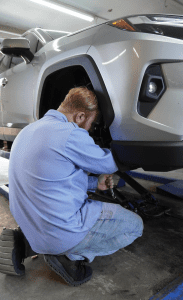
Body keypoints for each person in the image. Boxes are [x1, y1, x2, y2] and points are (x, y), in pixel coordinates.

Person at [1, 87, 143, 286]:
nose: (89, 130)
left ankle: (25, 243)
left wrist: (95, 183)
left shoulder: (28, 131)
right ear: (80, 116)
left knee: (49, 217)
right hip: (60, 232)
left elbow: (54, 179)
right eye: (91, 124)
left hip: (30, 224)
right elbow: (111, 163)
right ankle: (69, 256)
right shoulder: (69, 133)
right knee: (136, 226)